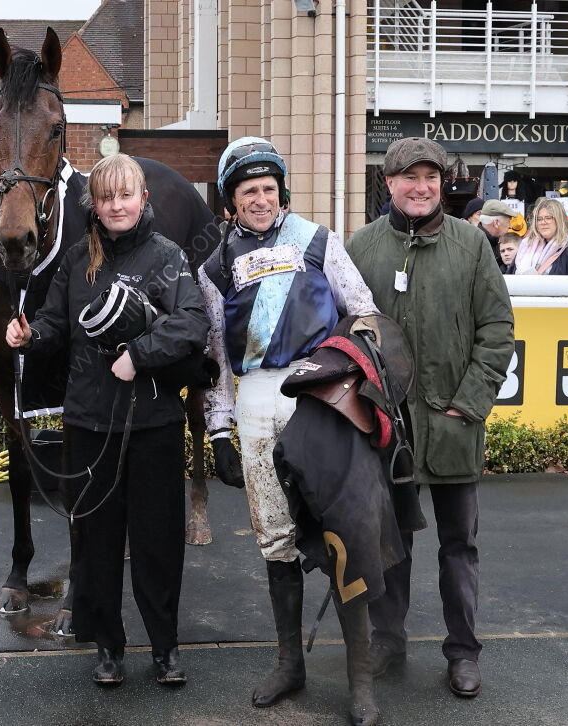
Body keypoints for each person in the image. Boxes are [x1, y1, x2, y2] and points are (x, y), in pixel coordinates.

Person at [197, 137, 382, 724]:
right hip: (254, 400)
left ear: (282, 191)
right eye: (248, 191)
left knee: (342, 532)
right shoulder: (214, 266)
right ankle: (289, 664)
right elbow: (215, 358)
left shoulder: (317, 239)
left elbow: (365, 311)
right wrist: (218, 431)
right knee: (274, 536)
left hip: (317, 396)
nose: (260, 199)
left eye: (268, 189)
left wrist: (350, 370)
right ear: (231, 200)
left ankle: (361, 680)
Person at [6, 153, 209, 687]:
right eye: (106, 196)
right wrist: (32, 335)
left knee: (157, 543)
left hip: (153, 425)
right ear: (92, 204)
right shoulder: (76, 260)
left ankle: (165, 648)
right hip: (90, 425)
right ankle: (109, 647)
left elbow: (193, 324)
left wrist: (139, 355)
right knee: (95, 545)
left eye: (126, 195)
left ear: (142, 199)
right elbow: (55, 323)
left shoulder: (168, 256)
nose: (116, 205)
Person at [346, 136, 514, 700]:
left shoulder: (471, 246)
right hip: (386, 428)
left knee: (458, 547)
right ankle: (388, 641)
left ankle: (463, 651)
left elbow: (496, 331)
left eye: (431, 179)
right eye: (409, 178)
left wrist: (467, 403)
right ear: (388, 184)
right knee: (389, 543)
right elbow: (344, 337)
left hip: (453, 424)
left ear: (442, 186)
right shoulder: (362, 246)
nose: (421, 188)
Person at [510, 197, 568, 275]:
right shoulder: (526, 245)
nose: (543, 222)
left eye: (548, 218)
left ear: (559, 219)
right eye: (539, 219)